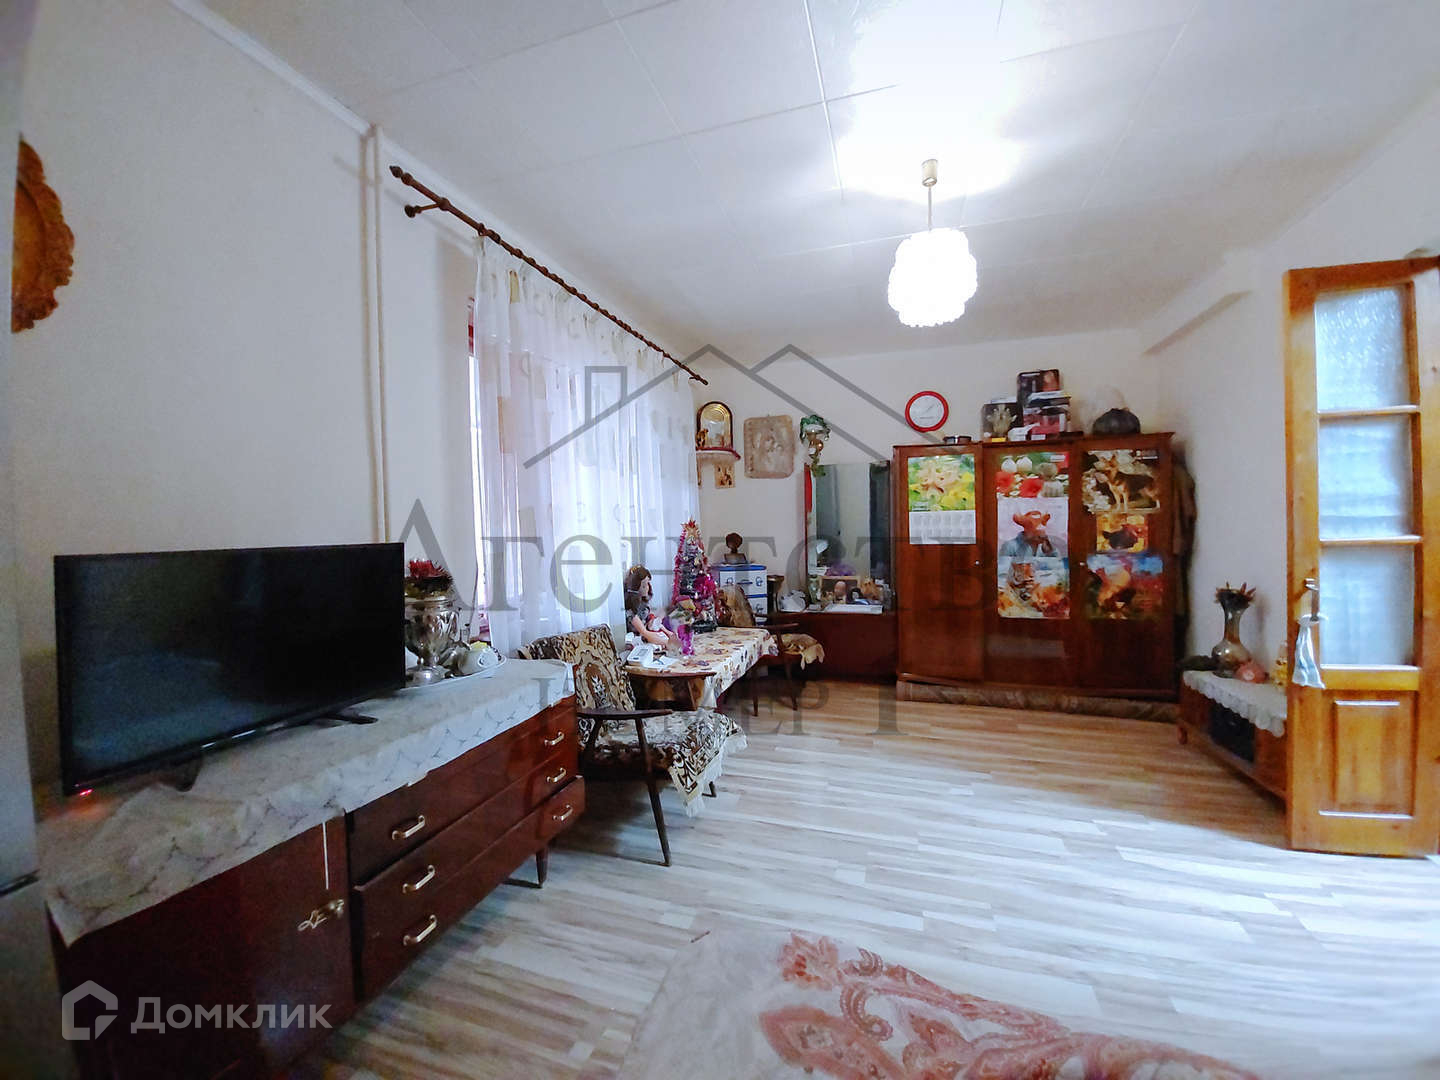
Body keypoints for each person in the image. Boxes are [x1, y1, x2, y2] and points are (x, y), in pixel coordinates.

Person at [624, 565, 678, 648]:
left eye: (648, 584)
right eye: (644, 585)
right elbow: (645, 634)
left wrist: (652, 621)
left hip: (647, 632)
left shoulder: (642, 603)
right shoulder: (631, 610)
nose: (647, 588)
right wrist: (667, 642)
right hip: (638, 639)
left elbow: (648, 620)